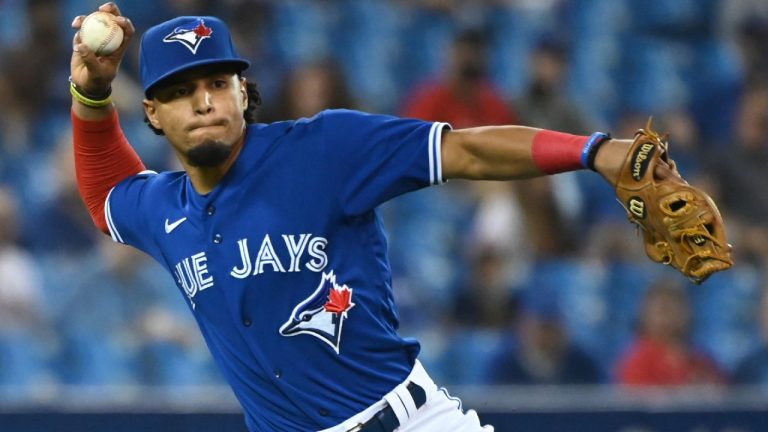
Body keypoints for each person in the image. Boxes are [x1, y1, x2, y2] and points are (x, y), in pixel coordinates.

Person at [70, 3, 652, 431]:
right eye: (180, 91)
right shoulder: (165, 209)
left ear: (245, 93)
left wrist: (592, 151)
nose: (203, 102)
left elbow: (465, 150)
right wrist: (93, 93)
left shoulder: (323, 148)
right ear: (150, 111)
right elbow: (104, 194)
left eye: (218, 83)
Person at [615, 280, 726, 386]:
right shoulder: (637, 362)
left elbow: (723, 393)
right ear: (646, 316)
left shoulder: (700, 359)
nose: (672, 316)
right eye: (664, 310)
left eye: (677, 307)